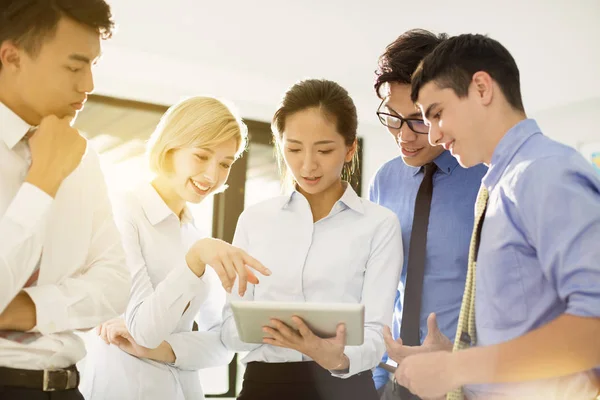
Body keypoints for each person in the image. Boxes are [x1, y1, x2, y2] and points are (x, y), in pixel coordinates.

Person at [395, 33, 600, 400]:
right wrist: (453, 358)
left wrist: (457, 367)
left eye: (437, 114)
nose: (436, 135)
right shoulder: (497, 186)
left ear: (482, 88)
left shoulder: (545, 173)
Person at [220, 78, 403, 400]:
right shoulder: (254, 220)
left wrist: (335, 356)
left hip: (346, 387)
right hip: (265, 386)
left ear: (350, 149)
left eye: (324, 150)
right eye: (293, 149)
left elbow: (377, 334)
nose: (307, 165)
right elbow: (230, 328)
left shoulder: (379, 225)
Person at [80, 96, 271, 399]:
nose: (212, 175)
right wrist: (195, 260)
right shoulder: (123, 211)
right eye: (201, 156)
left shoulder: (194, 234)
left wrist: (164, 350)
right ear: (170, 149)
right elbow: (143, 328)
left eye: (225, 163)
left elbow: (223, 347)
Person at [0, 0, 131, 398]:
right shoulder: (64, 160)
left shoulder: (84, 156)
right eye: (74, 67)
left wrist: (29, 310)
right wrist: (43, 181)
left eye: (93, 65)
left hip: (67, 387)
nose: (88, 84)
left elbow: (115, 285)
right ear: (12, 57)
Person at [369, 29, 487, 400]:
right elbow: (379, 286)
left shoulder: (490, 177)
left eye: (418, 119)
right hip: (394, 379)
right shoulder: (385, 179)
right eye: (392, 116)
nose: (403, 136)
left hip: (468, 382)